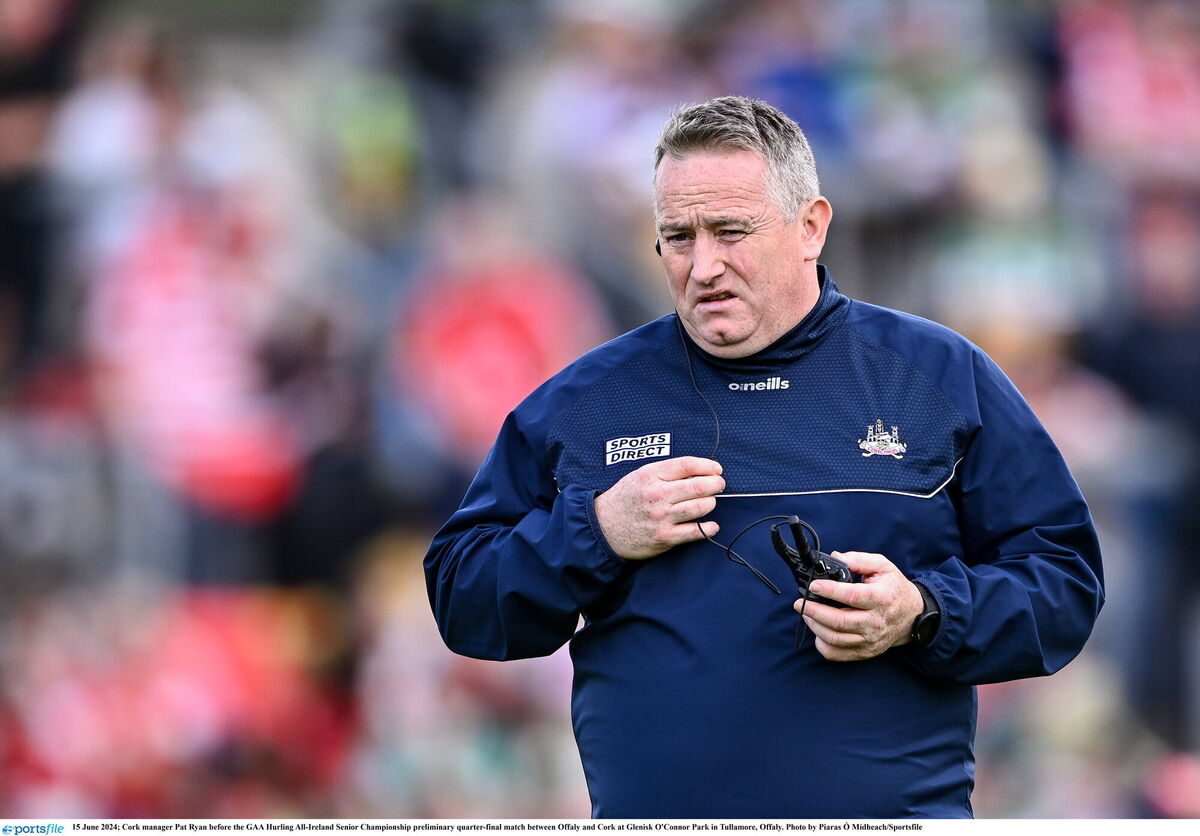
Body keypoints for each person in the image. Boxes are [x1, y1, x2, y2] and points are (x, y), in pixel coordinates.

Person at [424, 96, 1104, 818]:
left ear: (810, 227)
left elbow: (1064, 582)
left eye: (730, 231)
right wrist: (595, 531)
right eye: (678, 237)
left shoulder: (939, 379)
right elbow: (462, 594)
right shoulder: (588, 402)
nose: (703, 266)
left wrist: (922, 610)